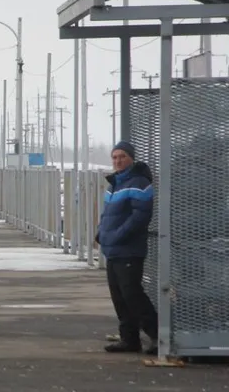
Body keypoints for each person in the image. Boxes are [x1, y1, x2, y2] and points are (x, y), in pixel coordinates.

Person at [96, 141, 158, 355]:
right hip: (113, 249)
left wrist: (118, 235)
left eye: (122, 156)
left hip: (129, 249)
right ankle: (129, 339)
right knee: (119, 296)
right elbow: (107, 214)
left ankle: (158, 335)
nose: (117, 161)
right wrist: (101, 233)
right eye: (114, 157)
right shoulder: (114, 184)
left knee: (132, 293)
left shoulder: (139, 182)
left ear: (131, 158)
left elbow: (140, 216)